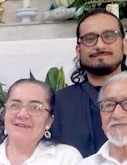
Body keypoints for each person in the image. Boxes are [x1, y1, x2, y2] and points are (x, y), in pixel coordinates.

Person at [52, 9, 127, 157]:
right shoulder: (59, 103)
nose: (99, 45)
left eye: (109, 36)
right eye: (90, 38)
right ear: (78, 50)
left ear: (124, 45)